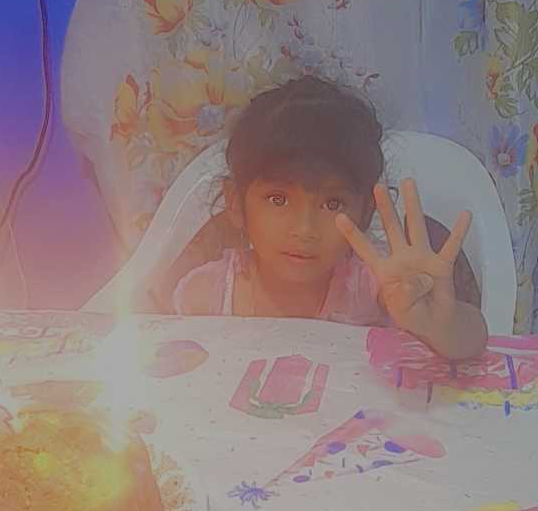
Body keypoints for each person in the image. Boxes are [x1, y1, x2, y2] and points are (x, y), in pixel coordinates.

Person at [172, 77, 488, 359]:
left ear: (365, 213)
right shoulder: (207, 294)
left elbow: (473, 340)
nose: (304, 229)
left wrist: (441, 325)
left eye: (332, 203)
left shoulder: (377, 286)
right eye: (279, 199)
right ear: (236, 204)